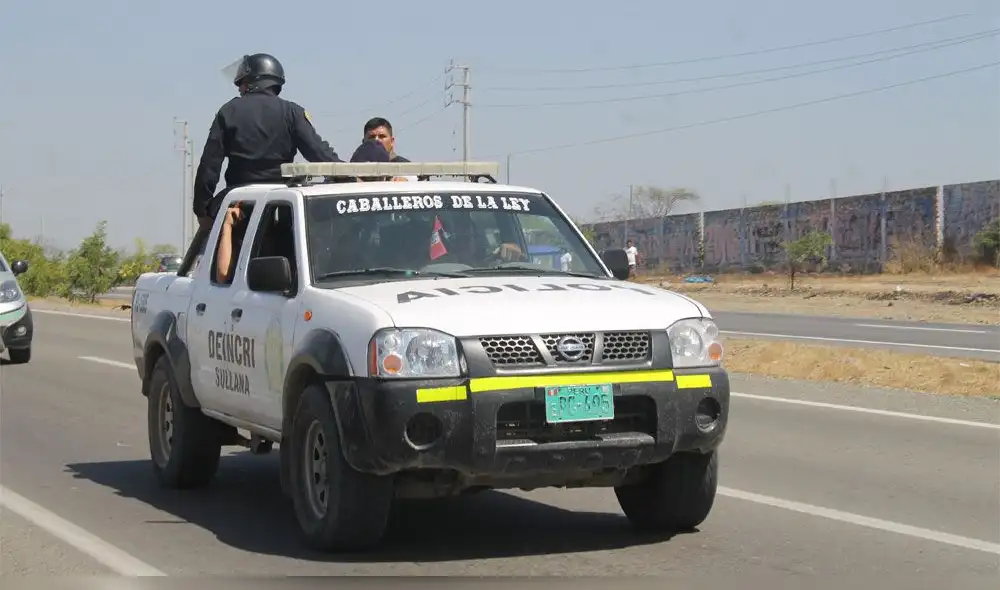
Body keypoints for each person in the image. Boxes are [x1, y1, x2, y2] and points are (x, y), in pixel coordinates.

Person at [192, 53, 343, 230]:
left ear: (252, 81)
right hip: (282, 204)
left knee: (215, 251)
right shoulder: (292, 112)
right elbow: (319, 153)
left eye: (241, 83)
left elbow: (209, 166)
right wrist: (349, 175)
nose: (240, 89)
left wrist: (202, 210)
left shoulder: (228, 111)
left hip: (238, 203)